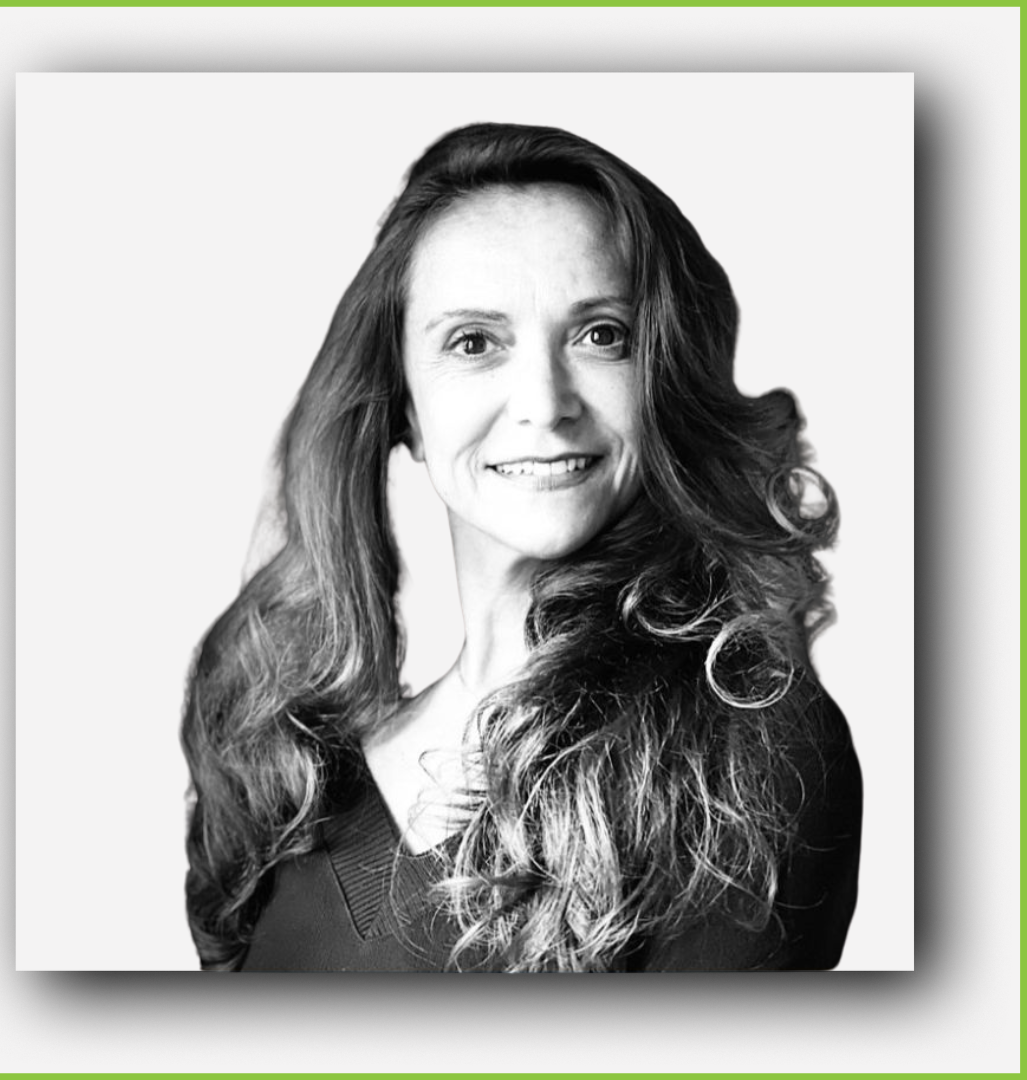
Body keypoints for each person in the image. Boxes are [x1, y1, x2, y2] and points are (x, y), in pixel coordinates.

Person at [181, 122, 862, 973]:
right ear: (405, 408)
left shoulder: (747, 747)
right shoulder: (291, 768)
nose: (545, 402)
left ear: (663, 380)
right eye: (475, 342)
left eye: (601, 334)